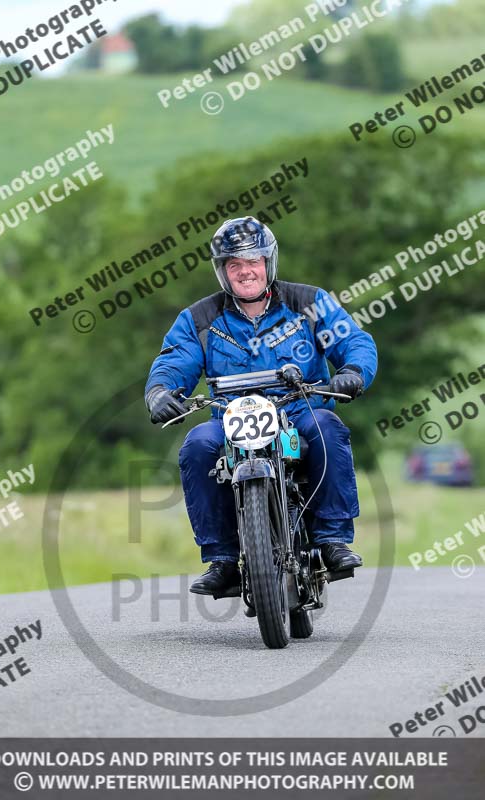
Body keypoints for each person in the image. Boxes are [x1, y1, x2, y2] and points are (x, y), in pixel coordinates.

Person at [145, 216, 377, 596]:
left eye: (253, 262)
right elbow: (174, 361)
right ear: (222, 272)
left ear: (268, 263)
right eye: (234, 264)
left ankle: (332, 539)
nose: (245, 271)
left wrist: (353, 371)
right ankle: (222, 559)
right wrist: (161, 392)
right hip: (230, 417)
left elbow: (353, 340)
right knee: (198, 444)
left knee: (328, 427)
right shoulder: (198, 320)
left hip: (299, 409)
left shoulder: (309, 303)